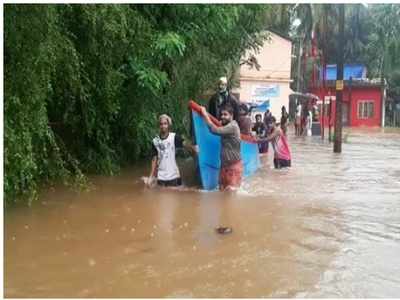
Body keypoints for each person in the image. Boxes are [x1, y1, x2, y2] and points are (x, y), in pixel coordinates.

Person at [147, 114, 198, 187]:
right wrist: (151, 176)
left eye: (165, 124)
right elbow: (154, 160)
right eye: (161, 124)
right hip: (161, 177)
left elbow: (185, 143)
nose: (163, 126)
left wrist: (193, 148)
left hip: (174, 176)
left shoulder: (174, 137)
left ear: (168, 125)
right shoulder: (155, 141)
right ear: (159, 126)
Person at [200, 104, 242, 191]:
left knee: (231, 196)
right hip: (224, 167)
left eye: (225, 114)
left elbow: (215, 130)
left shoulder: (233, 126)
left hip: (233, 167)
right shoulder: (226, 126)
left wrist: (204, 114)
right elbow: (219, 126)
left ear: (232, 115)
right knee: (221, 193)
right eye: (221, 114)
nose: (222, 116)